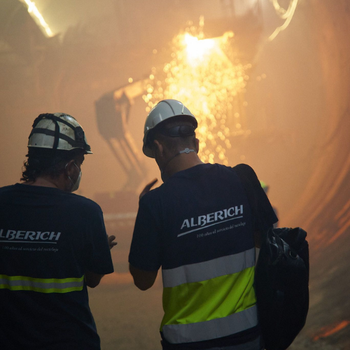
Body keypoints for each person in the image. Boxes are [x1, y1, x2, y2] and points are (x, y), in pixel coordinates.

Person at [128, 99, 278, 350]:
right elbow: (266, 246)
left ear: (158, 148)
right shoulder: (243, 179)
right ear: (196, 144)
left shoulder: (155, 203)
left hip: (188, 342)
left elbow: (143, 280)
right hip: (247, 335)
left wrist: (147, 217)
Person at [0, 113, 117, 350]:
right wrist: (97, 247)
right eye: (79, 163)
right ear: (70, 167)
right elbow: (93, 279)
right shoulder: (86, 212)